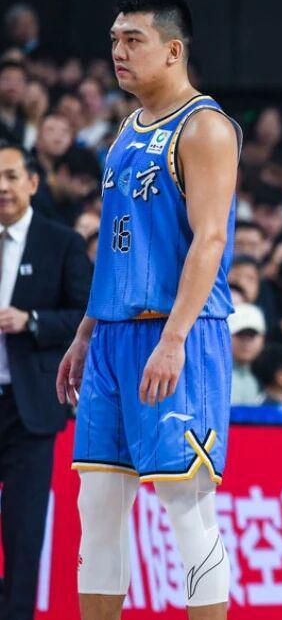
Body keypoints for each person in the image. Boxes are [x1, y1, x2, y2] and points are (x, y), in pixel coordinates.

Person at [55, 0, 242, 619]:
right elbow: (116, 247)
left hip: (177, 332)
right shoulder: (126, 130)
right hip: (112, 337)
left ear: (173, 50)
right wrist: (86, 331)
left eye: (133, 40)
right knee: (97, 506)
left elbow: (210, 240)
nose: (118, 51)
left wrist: (174, 338)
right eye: (114, 40)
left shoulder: (205, 127)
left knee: (187, 507)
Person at [0, 145, 91, 620]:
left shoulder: (61, 243)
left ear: (33, 183)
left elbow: (86, 316)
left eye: (11, 176)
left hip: (29, 407)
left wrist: (31, 320)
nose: (2, 187)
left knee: (23, 527)